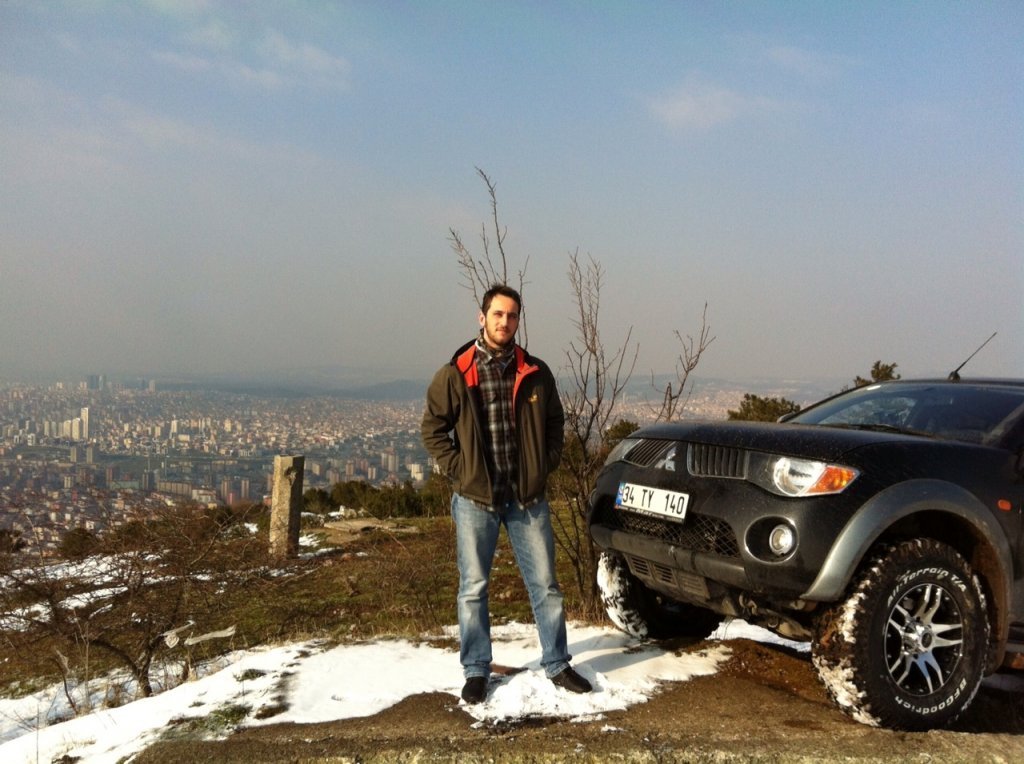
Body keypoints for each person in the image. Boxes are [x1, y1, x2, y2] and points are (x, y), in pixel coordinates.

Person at [421, 284, 592, 704]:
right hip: (476, 499)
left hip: (526, 498)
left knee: (546, 585)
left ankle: (557, 663)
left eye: (512, 315)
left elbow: (555, 422)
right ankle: (476, 669)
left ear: (518, 320)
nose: (505, 322)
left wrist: (545, 463)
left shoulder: (535, 371)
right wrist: (461, 470)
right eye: (497, 314)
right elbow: (433, 429)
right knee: (473, 588)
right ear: (482, 318)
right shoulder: (456, 372)